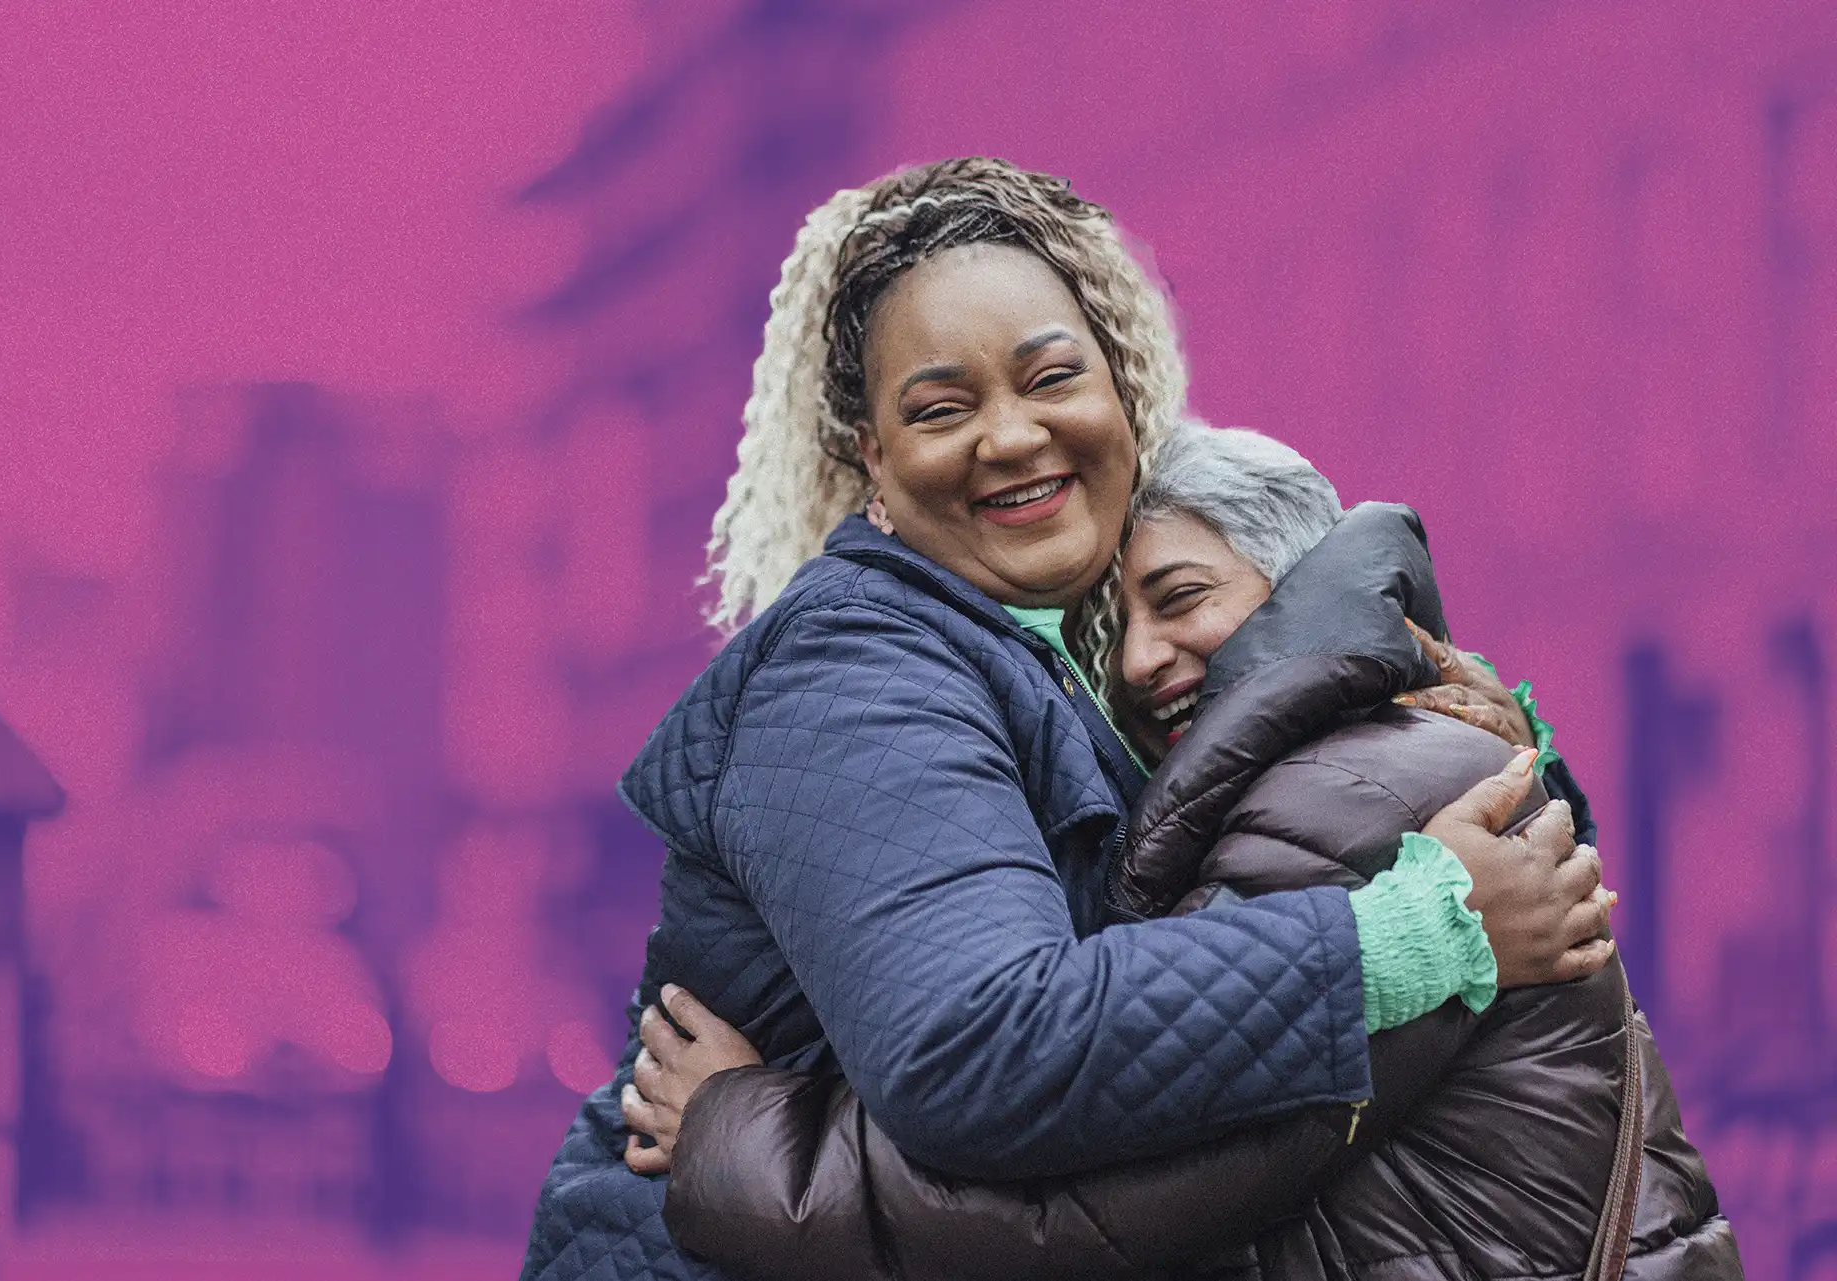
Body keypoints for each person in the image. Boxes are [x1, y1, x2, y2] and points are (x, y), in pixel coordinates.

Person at [518, 158, 1612, 1281]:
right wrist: (1405, 940)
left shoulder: (1054, 662)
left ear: (1122, 395)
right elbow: (982, 1049)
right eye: (942, 409)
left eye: (1050, 378)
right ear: (873, 468)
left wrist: (744, 1128)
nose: (1009, 435)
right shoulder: (858, 664)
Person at [621, 426, 1741, 1280]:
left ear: (1295, 581)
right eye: (1118, 631)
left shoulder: (1361, 795)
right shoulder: (1372, 761)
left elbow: (1113, 1182)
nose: (1146, 658)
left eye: (1183, 598)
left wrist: (735, 1130)